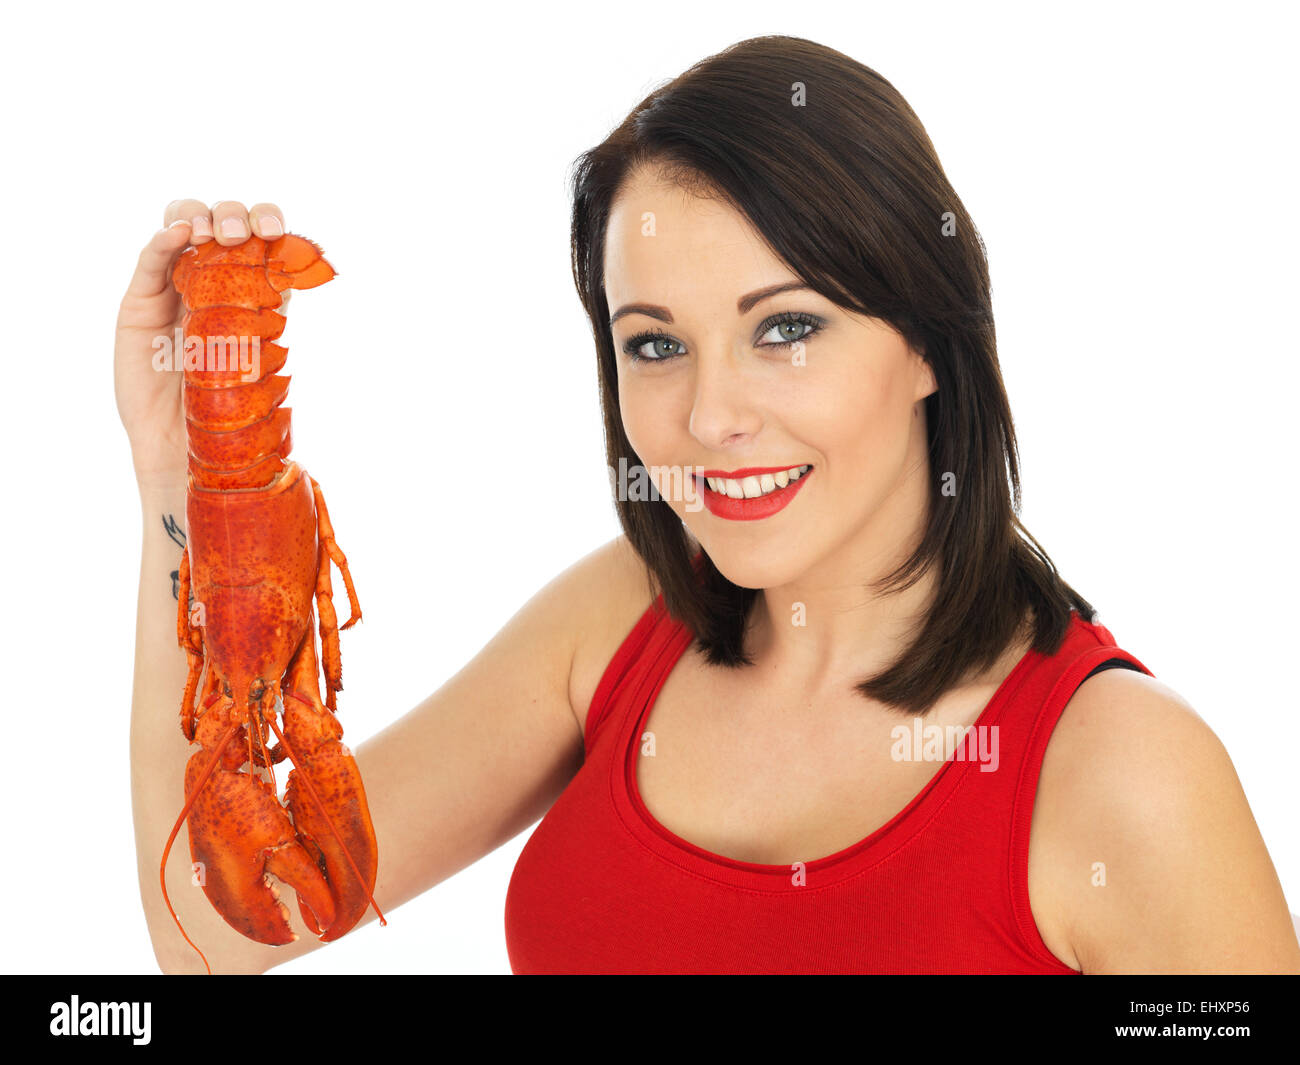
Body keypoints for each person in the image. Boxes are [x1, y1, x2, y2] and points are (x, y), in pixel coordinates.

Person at [117, 35, 1300, 975]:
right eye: (655, 343)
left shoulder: (1128, 774)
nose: (710, 416)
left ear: (928, 342)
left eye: (785, 328)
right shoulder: (622, 620)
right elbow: (216, 934)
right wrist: (179, 481)